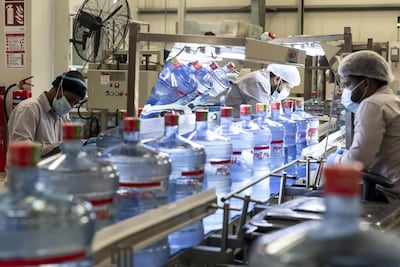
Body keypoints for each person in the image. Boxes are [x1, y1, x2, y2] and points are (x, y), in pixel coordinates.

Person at [326, 50, 400, 201]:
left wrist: (334, 160)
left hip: (385, 193)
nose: (346, 91)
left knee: (313, 198)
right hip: (394, 187)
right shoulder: (391, 101)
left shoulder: (372, 104)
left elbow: (357, 162)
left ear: (366, 82)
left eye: (348, 84)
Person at [7, 70, 86, 159]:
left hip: (47, 171)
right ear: (58, 88)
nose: (71, 106)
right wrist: (59, 148)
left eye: (75, 103)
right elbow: (21, 150)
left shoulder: (62, 115)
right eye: (70, 99)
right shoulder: (29, 109)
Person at [225, 63, 301, 119]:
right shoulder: (259, 82)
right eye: (287, 87)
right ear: (277, 79)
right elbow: (259, 118)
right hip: (236, 127)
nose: (288, 91)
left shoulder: (267, 86)